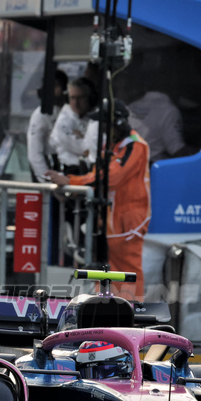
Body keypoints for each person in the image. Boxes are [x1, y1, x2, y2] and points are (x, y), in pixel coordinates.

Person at [47, 101, 150, 301]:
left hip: (127, 221)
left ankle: (132, 315)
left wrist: (71, 181)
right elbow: (99, 174)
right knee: (106, 270)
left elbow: (111, 177)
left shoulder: (135, 146)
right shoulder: (113, 147)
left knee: (127, 270)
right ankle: (105, 309)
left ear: (117, 124)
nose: (102, 129)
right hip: (111, 218)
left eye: (106, 124)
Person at [127, 85, 196, 164]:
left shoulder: (132, 106)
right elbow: (177, 150)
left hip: (129, 164)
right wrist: (200, 151)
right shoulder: (169, 110)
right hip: (150, 167)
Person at [48, 77, 99, 175]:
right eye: (73, 98)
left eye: (81, 97)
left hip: (89, 171)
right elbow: (85, 150)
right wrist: (87, 140)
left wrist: (84, 138)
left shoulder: (94, 115)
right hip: (70, 170)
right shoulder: (64, 118)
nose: (76, 103)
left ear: (90, 98)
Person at [27, 70, 69, 182]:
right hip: (48, 166)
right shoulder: (41, 115)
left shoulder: (69, 112)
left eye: (56, 86)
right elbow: (35, 154)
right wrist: (46, 181)